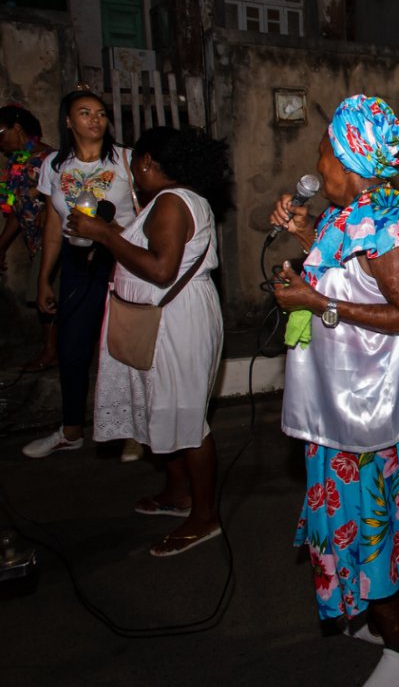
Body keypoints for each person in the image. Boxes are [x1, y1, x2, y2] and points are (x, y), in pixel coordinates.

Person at [270, 95, 399, 687]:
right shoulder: (354, 209)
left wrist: (316, 302)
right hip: (345, 402)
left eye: (326, 152)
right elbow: (345, 267)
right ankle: (381, 619)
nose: (318, 164)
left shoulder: (388, 225)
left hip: (373, 415)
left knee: (365, 522)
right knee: (351, 522)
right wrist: (307, 240)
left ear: (352, 159)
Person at [69, 126, 228, 556]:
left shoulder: (174, 202)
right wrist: (112, 228)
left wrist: (103, 236)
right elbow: (149, 247)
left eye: (136, 164)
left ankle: (205, 516)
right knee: (163, 407)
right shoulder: (169, 201)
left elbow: (161, 270)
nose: (135, 173)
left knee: (187, 417)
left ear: (148, 163)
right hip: (163, 319)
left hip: (178, 321)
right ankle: (178, 495)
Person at [22, 88, 137, 459]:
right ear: (69, 121)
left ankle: (136, 429)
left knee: (126, 348)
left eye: (101, 113)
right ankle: (71, 429)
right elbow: (53, 226)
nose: (95, 120)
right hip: (75, 264)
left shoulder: (126, 160)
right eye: (85, 113)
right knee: (72, 349)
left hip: (120, 260)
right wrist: (44, 279)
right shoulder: (55, 165)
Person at [0, 104, 56, 370]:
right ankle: (51, 349)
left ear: (17, 129)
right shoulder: (15, 164)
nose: (0, 142)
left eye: (1, 133)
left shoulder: (50, 160)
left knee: (45, 296)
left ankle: (50, 352)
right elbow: (15, 210)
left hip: (53, 241)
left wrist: (47, 208)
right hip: (34, 241)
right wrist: (1, 246)